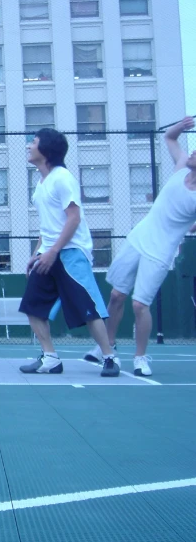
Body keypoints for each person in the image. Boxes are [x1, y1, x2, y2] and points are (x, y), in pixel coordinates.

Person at [84, 116, 196, 376]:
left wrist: (188, 227)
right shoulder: (181, 168)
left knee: (139, 305)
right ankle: (107, 347)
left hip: (160, 251)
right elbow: (169, 137)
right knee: (116, 296)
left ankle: (141, 357)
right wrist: (180, 126)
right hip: (139, 238)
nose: (192, 152)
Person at [20, 128, 119, 376]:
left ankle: (109, 357)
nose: (29, 146)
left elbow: (73, 219)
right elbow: (49, 223)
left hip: (72, 252)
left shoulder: (63, 178)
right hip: (48, 253)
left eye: (33, 142)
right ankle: (50, 358)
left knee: (88, 308)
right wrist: (37, 252)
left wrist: (54, 251)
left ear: (46, 150)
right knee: (33, 306)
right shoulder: (41, 182)